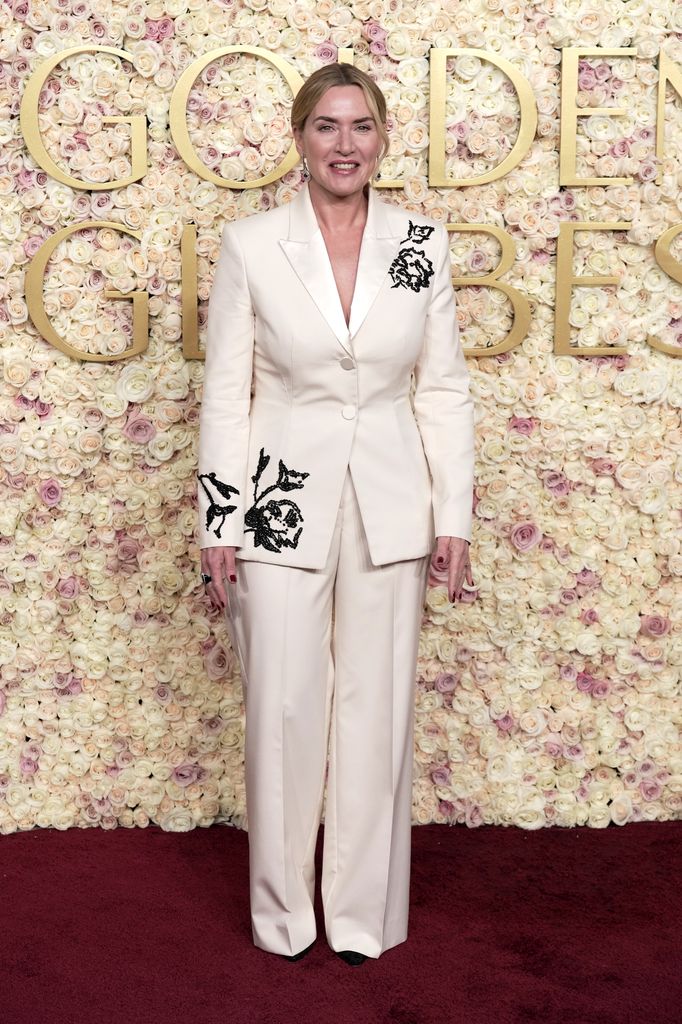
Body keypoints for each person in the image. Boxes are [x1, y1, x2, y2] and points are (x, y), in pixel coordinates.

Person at [198, 63, 475, 966]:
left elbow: (442, 389)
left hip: (393, 503)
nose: (343, 144)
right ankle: (284, 920)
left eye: (359, 126)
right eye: (326, 127)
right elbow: (226, 395)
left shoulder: (421, 244)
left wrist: (453, 517)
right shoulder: (251, 244)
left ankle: (362, 919)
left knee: (375, 711)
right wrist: (220, 521)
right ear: (300, 139)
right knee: (283, 708)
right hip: (278, 503)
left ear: (383, 137)